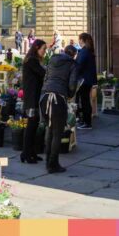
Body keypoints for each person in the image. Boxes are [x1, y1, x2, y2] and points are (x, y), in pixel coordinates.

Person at [39, 45, 78, 174]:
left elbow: (46, 78)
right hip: (58, 98)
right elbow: (72, 84)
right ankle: (53, 164)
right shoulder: (72, 64)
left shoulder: (52, 60)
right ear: (73, 55)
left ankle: (47, 161)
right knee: (57, 132)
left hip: (45, 97)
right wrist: (70, 94)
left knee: (49, 129)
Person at [20, 39, 47, 164]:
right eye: (43, 49)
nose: (45, 52)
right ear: (37, 48)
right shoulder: (32, 60)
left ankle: (31, 152)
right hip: (31, 97)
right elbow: (43, 73)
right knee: (31, 126)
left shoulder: (34, 60)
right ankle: (26, 153)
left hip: (34, 96)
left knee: (34, 125)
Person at [75, 33, 98, 130]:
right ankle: (85, 121)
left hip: (83, 81)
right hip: (88, 80)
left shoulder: (84, 52)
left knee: (84, 102)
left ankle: (87, 122)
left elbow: (78, 66)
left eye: (79, 40)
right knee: (85, 101)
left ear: (82, 40)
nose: (78, 42)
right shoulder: (88, 51)